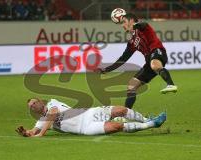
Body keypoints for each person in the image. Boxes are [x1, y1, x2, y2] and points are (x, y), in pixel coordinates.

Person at [94, 12, 178, 109]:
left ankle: (171, 84)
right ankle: (125, 114)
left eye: (124, 22)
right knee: (131, 85)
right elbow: (123, 59)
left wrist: (134, 26)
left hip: (158, 51)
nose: (122, 25)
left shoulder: (142, 28)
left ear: (131, 21)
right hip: (149, 62)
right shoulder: (132, 41)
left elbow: (144, 24)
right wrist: (106, 70)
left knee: (154, 65)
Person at [15, 98, 166, 137]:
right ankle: (152, 124)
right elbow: (33, 131)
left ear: (40, 101)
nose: (33, 106)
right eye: (31, 106)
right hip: (85, 128)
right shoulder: (40, 121)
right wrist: (26, 133)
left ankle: (146, 119)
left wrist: (41, 134)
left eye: (34, 102)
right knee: (116, 127)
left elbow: (52, 114)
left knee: (121, 109)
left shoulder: (53, 103)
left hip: (88, 113)